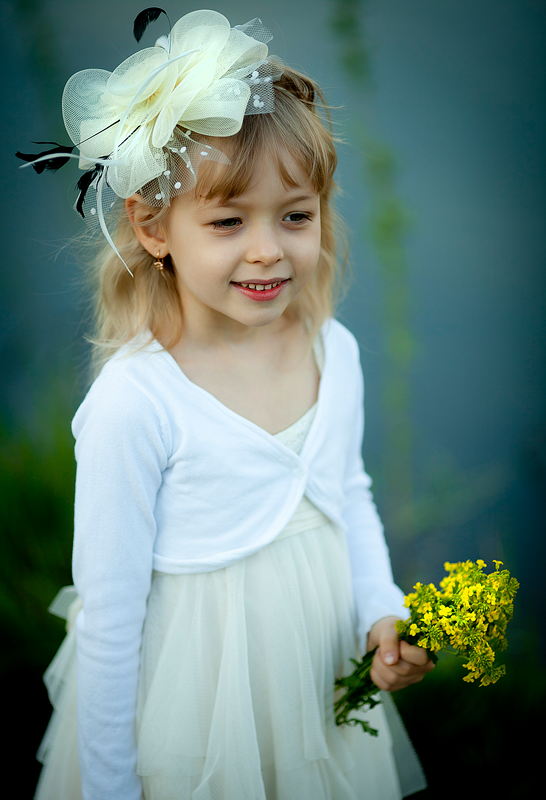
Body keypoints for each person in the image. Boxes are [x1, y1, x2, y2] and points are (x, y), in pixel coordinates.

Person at [25, 9, 434, 800]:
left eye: (296, 215)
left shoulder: (333, 351)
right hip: (196, 713)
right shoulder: (136, 403)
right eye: (227, 221)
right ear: (153, 227)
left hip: (316, 692)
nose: (267, 249)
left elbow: (347, 496)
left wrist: (381, 612)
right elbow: (110, 621)